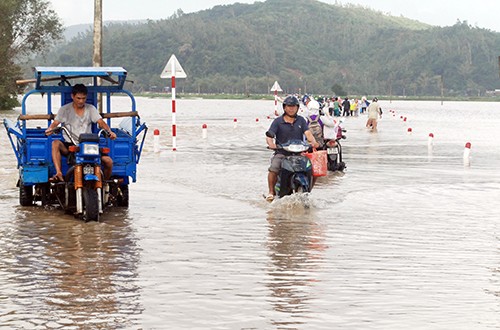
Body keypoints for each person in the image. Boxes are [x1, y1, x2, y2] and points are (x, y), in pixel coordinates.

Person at [45, 83, 117, 182]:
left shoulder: (91, 108)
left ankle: (104, 183)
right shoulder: (65, 109)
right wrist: (50, 129)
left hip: (88, 145)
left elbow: (101, 122)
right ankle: (59, 173)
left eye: (83, 98)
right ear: (72, 96)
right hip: (70, 145)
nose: (81, 101)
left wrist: (109, 132)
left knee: (108, 162)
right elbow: (55, 123)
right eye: (78, 98)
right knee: (55, 143)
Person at [265, 95, 319, 201]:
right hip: (282, 153)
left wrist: (313, 142)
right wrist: (271, 144)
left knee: (313, 170)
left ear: (297, 108)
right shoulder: (277, 121)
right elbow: (269, 135)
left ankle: (308, 190)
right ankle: (271, 192)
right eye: (289, 106)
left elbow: (308, 133)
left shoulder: (301, 120)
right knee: (274, 168)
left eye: (294, 106)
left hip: (299, 153)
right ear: (284, 107)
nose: (291, 108)